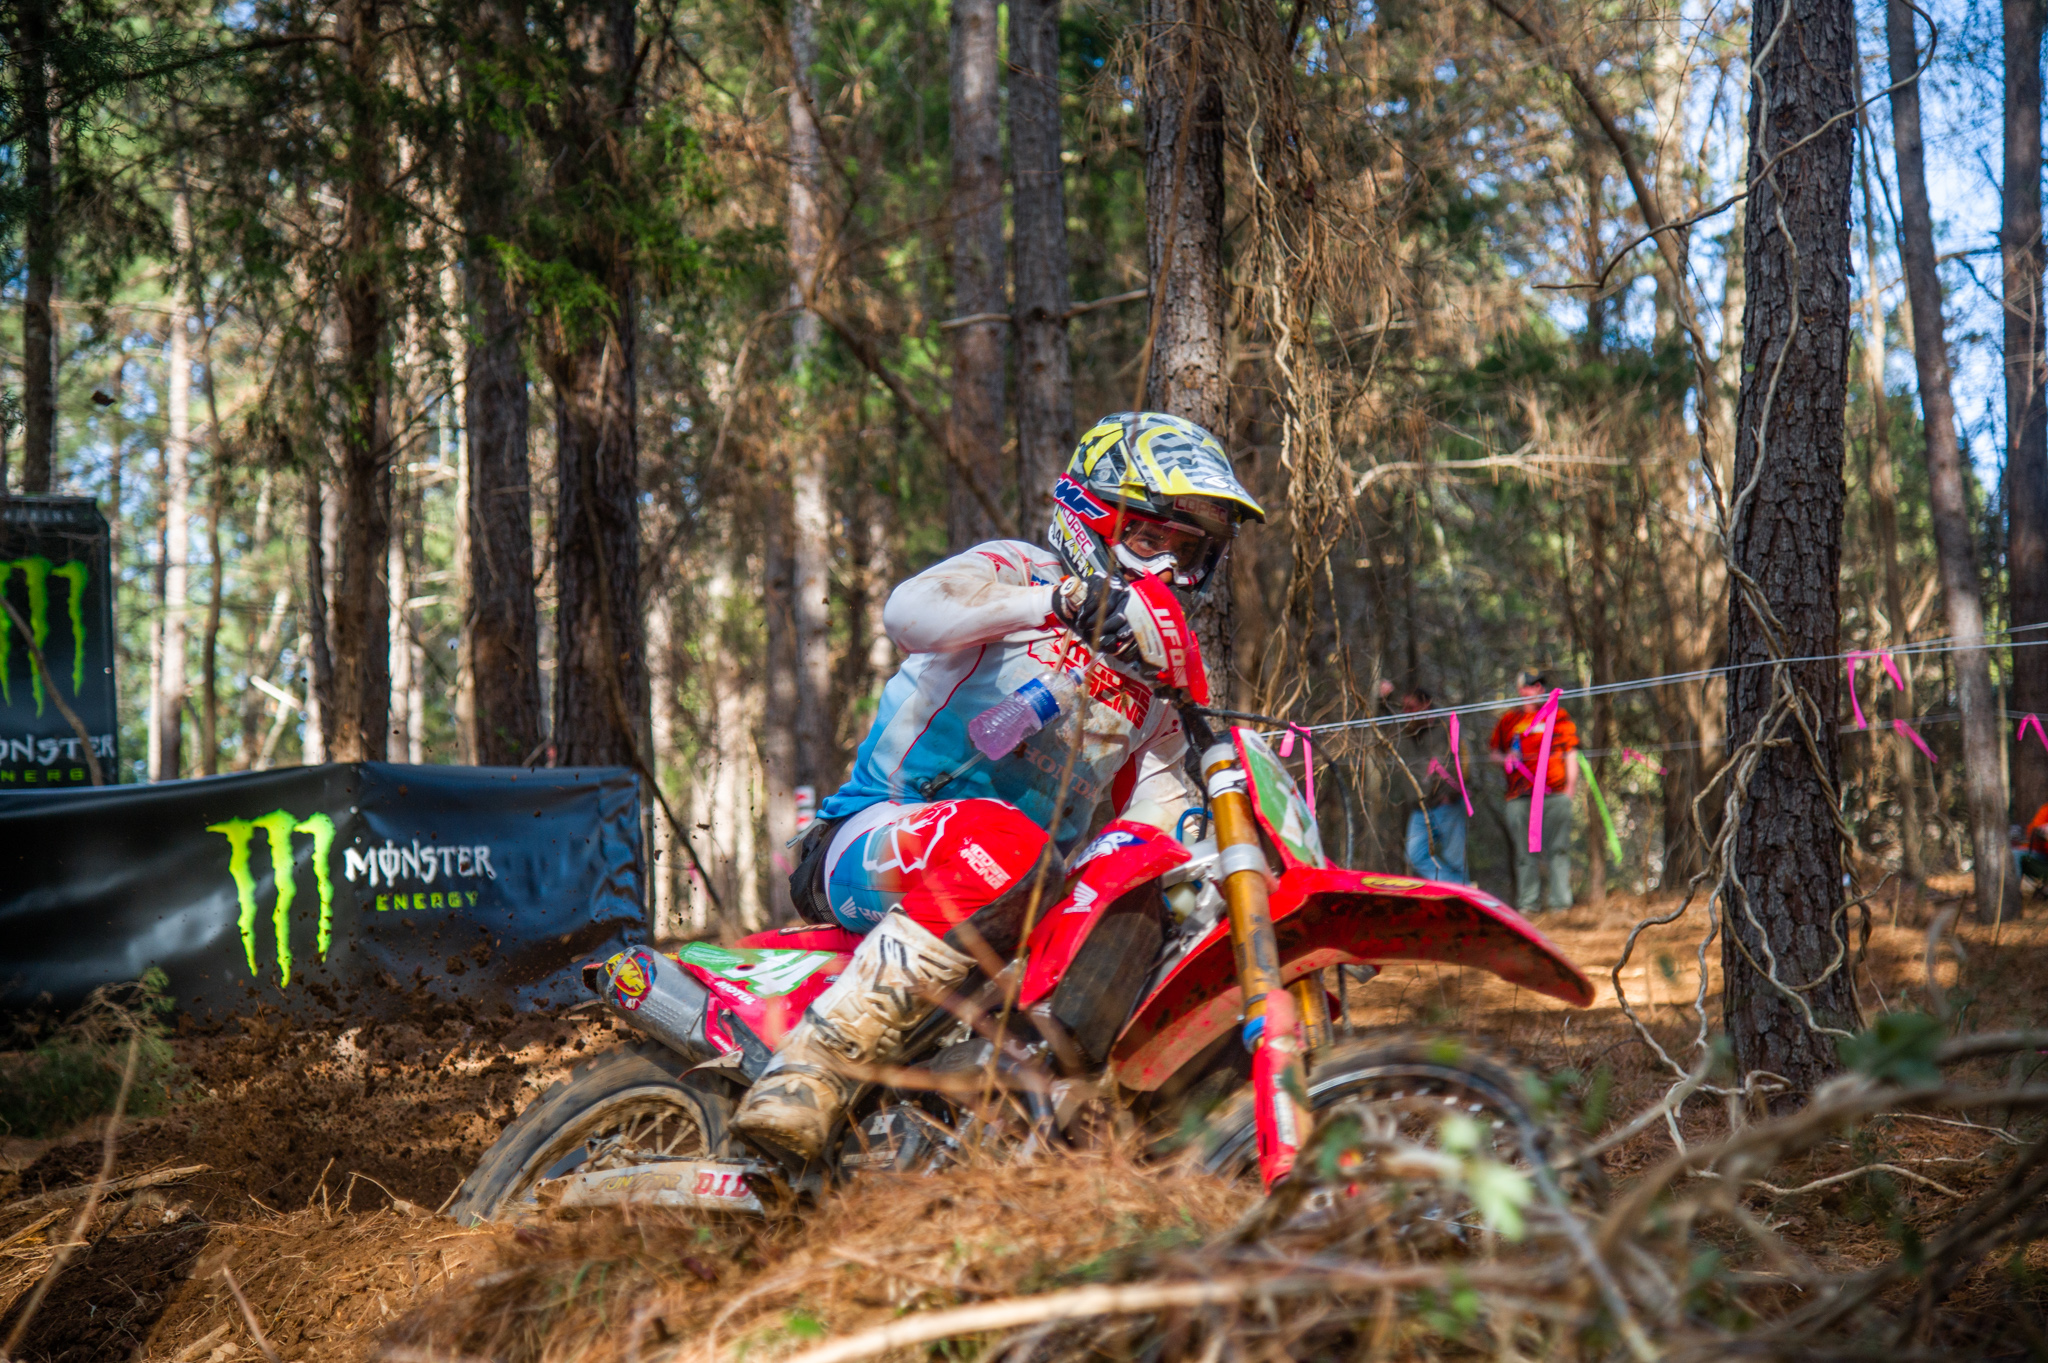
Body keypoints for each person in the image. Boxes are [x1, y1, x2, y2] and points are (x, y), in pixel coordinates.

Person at [732, 411, 1266, 1162]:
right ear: (1092, 513)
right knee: (1009, 842)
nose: (1170, 570)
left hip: (1024, 888)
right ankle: (809, 1068)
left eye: (1189, 551)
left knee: (1148, 895)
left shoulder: (1158, 668)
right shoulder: (1023, 569)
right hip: (871, 837)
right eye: (1150, 539)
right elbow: (909, 612)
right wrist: (1058, 605)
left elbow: (1165, 799)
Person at [1489, 670, 1578, 913]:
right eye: (1529, 685)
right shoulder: (1508, 720)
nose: (1534, 690)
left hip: (1555, 795)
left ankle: (1561, 906)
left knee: (1558, 850)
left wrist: (1569, 790)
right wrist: (1506, 758)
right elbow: (1494, 751)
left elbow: (1571, 754)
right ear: (1520, 690)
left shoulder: (1560, 717)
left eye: (1539, 685)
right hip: (1519, 797)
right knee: (1524, 853)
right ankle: (1528, 906)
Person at [1380, 682, 1468, 883]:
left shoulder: (1447, 725)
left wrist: (1451, 794)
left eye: (1411, 708)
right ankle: (1453, 889)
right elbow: (1385, 725)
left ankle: (1462, 897)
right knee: (1414, 856)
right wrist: (1382, 700)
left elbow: (1463, 760)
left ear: (1426, 704)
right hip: (1419, 806)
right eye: (1404, 709)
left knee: (1456, 860)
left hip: (1447, 803)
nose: (1407, 713)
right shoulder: (1406, 729)